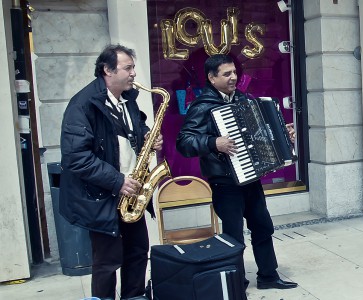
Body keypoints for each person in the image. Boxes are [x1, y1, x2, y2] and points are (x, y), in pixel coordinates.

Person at [176, 54, 298, 291]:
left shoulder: (243, 99)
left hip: (250, 176)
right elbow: (185, 141)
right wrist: (213, 142)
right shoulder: (202, 106)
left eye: (234, 72)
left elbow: (259, 132)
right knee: (233, 236)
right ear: (212, 78)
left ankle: (268, 276)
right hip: (225, 182)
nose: (234, 77)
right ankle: (234, 283)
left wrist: (282, 133)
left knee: (263, 227)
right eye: (226, 74)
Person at [59, 44, 162, 300]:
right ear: (107, 70)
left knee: (138, 252)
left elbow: (130, 135)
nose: (133, 74)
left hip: (131, 191)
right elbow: (76, 157)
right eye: (127, 68)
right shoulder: (82, 105)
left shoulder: (126, 101)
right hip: (104, 195)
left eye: (133, 68)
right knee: (107, 262)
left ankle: (134, 297)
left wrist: (147, 137)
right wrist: (117, 181)